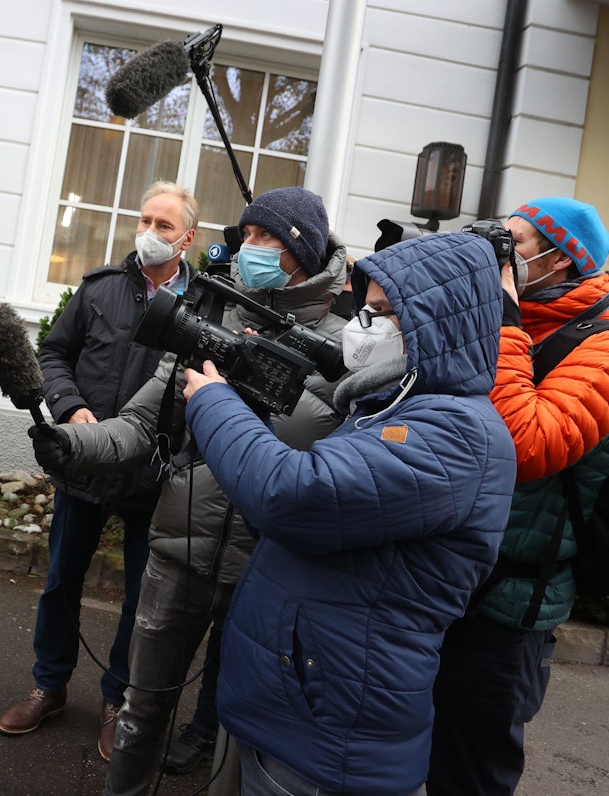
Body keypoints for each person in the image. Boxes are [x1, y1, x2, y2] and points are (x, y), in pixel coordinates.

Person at [28, 187, 349, 795]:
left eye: (263, 239)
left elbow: (334, 462)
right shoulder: (215, 320)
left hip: (266, 566)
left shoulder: (345, 350)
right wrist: (74, 444)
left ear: (301, 251)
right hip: (179, 548)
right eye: (244, 236)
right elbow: (143, 419)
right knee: (142, 710)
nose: (245, 249)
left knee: (240, 725)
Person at [182, 231, 517, 795]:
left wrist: (215, 402)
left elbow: (294, 496)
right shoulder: (395, 406)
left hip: (329, 744)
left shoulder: (456, 435)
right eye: (367, 308)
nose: (367, 323)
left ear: (437, 324)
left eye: (386, 312)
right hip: (307, 710)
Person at [0, 181, 198, 761]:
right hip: (84, 462)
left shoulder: (202, 306)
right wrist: (69, 408)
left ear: (187, 238)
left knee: (141, 597)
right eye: (145, 219)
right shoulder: (99, 289)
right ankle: (48, 685)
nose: (150, 233)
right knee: (61, 580)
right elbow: (53, 354)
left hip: (150, 473)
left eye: (165, 225)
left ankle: (117, 700)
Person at [428, 198, 609, 795]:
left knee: (473, 766)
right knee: (414, 745)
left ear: (563, 259)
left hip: (511, 600)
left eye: (516, 244)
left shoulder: (601, 346)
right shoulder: (518, 315)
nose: (502, 254)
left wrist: (503, 320)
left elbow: (527, 447)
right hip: (448, 572)